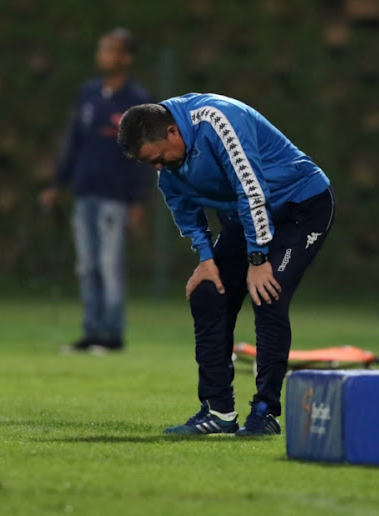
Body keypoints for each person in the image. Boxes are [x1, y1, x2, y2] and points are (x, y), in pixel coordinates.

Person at [117, 94, 335, 436]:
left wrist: (258, 258)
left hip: (299, 209)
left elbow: (252, 189)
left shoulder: (218, 121)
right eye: (150, 164)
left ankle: (265, 413)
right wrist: (205, 258)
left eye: (158, 158)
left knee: (269, 293)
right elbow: (183, 208)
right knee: (208, 295)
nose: (158, 168)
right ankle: (218, 411)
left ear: (174, 132)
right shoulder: (169, 165)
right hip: (242, 218)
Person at [39, 28, 153, 353]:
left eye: (110, 51)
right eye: (101, 50)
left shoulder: (136, 100)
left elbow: (143, 153)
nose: (103, 56)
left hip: (115, 197)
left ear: (126, 58)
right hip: (83, 191)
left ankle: (112, 336)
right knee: (86, 267)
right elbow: (74, 142)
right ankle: (90, 333)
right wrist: (56, 184)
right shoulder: (89, 93)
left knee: (109, 265)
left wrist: (138, 200)